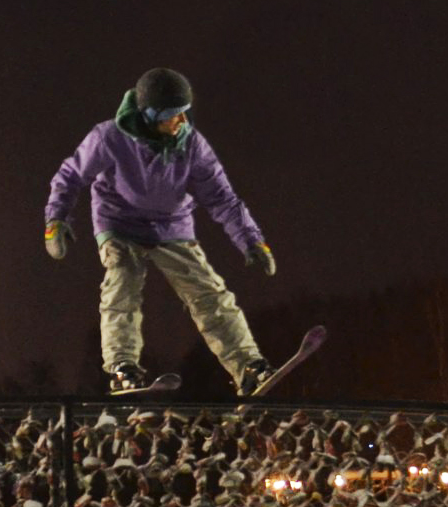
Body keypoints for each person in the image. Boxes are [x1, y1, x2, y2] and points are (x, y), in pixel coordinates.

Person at [43, 68, 277, 395]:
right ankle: (122, 366)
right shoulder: (109, 137)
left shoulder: (192, 144)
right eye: (172, 116)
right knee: (123, 280)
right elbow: (70, 176)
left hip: (171, 224)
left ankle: (248, 365)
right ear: (150, 115)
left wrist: (252, 240)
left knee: (208, 291)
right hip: (119, 221)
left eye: (184, 113)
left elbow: (222, 198)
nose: (180, 121)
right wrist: (56, 220)